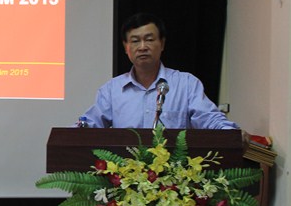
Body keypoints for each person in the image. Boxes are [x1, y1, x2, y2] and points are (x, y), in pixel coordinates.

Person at [79, 13, 239, 129]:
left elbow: (209, 118)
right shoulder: (112, 90)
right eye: (135, 41)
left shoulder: (186, 84)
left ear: (162, 44)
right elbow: (89, 124)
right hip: (125, 166)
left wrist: (230, 133)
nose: (142, 47)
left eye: (149, 39)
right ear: (126, 47)